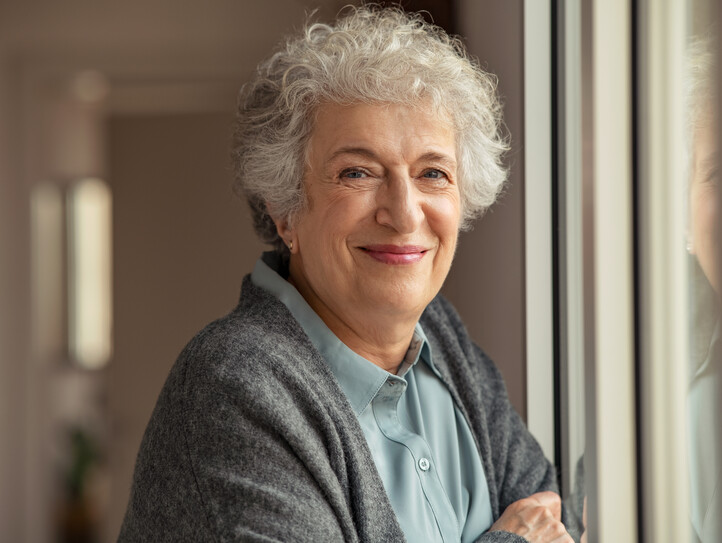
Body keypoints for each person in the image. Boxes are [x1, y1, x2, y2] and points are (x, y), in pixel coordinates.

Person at [119, 7, 580, 542]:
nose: (404, 213)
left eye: (433, 173)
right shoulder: (235, 387)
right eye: (357, 172)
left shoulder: (444, 341)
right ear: (285, 209)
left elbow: (552, 515)